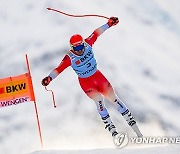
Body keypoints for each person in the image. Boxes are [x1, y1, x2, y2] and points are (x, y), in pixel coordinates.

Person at [41, 17, 143, 137]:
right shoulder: (70, 57)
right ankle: (114, 134)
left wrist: (109, 24)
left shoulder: (88, 43)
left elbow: (96, 33)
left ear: (83, 43)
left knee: (114, 99)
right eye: (76, 48)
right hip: (86, 83)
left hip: (98, 77)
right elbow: (59, 69)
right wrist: (49, 78)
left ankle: (138, 132)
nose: (79, 51)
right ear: (72, 48)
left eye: (80, 47)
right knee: (99, 102)